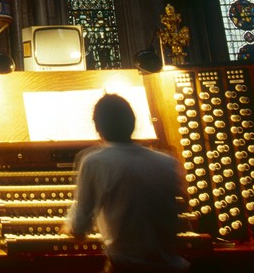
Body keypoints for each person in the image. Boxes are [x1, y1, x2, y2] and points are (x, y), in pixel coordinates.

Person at [65, 93, 189, 273]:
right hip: (173, 267)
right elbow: (181, 211)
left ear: (98, 127)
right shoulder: (168, 162)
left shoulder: (94, 162)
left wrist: (67, 226)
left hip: (125, 267)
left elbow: (79, 229)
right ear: (133, 123)